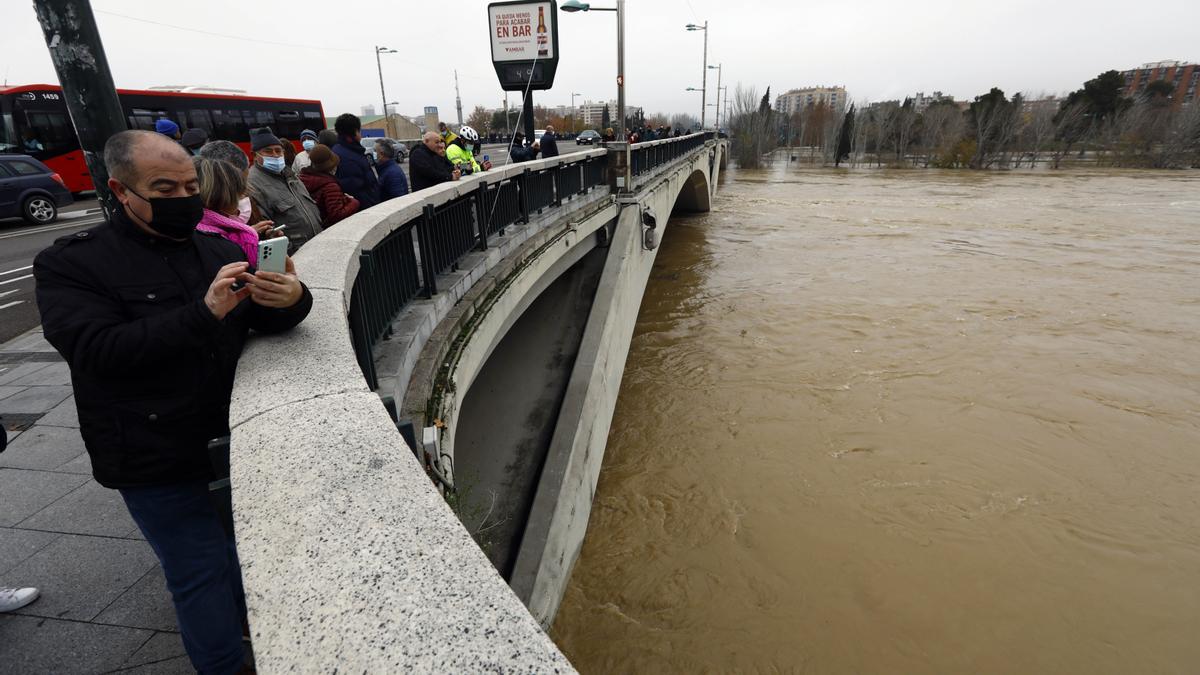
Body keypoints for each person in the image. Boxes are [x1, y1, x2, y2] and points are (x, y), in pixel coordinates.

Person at [33, 129, 312, 675]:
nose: (183, 199)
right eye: (164, 187)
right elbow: (95, 351)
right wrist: (202, 313)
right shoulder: (72, 264)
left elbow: (263, 319)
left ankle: (249, 623)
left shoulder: (221, 248)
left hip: (233, 441)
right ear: (120, 190)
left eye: (190, 185)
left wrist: (292, 300)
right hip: (153, 453)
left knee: (242, 557)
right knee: (199, 570)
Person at [246, 127, 323, 251]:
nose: (275, 155)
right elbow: (267, 232)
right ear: (255, 155)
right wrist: (290, 252)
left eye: (278, 151)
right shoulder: (253, 184)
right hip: (296, 253)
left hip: (316, 245)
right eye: (268, 151)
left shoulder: (290, 175)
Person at [194, 155, 273, 262]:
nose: (243, 199)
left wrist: (260, 236)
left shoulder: (204, 228)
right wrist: (247, 238)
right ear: (223, 196)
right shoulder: (212, 241)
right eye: (239, 195)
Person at [197, 140, 259, 225]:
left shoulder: (247, 195)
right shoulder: (198, 221)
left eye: (245, 181)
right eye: (236, 186)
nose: (243, 193)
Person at [298, 145, 360, 227]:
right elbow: (336, 215)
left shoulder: (303, 178)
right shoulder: (330, 186)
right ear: (331, 167)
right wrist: (353, 202)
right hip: (329, 228)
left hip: (314, 227)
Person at [330, 113, 381, 210]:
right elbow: (357, 191)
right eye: (359, 131)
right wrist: (374, 207)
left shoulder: (343, 150)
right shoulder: (348, 158)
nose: (360, 135)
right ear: (352, 133)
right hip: (366, 211)